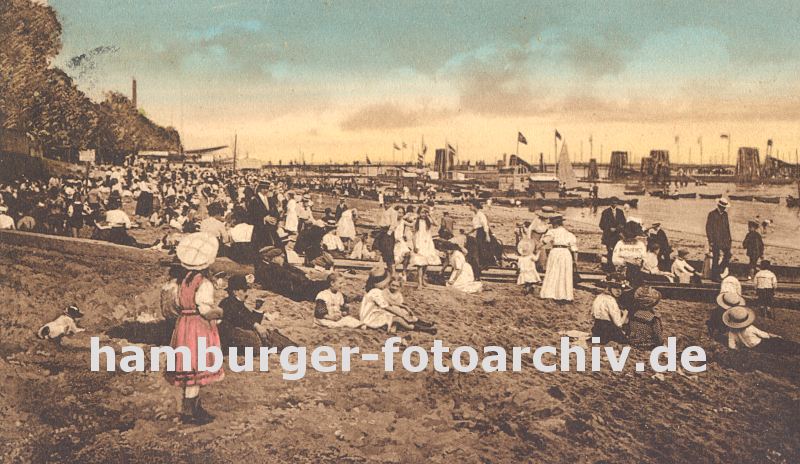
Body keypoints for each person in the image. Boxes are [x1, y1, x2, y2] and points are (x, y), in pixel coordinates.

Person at [165, 233, 224, 425]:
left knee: (187, 368)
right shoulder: (204, 284)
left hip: (184, 324)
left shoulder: (184, 281)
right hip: (197, 326)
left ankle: (191, 407)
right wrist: (221, 313)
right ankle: (191, 411)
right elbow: (205, 310)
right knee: (196, 368)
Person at [359, 277, 436, 334]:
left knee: (400, 316)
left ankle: (423, 325)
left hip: (374, 312)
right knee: (398, 319)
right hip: (369, 317)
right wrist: (402, 315)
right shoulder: (376, 292)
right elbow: (387, 307)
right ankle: (424, 329)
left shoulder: (376, 291)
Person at [723, 306, 800, 354]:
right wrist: (775, 336)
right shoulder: (750, 328)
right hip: (761, 344)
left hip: (753, 348)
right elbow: (764, 335)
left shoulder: (731, 332)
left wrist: (740, 348)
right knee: (781, 343)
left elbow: (731, 346)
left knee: (779, 348)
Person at [539, 214, 578, 302]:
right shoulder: (569, 234)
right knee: (565, 273)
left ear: (555, 224)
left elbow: (544, 242)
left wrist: (535, 248)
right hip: (566, 253)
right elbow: (574, 249)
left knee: (553, 271)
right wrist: (575, 261)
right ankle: (564, 295)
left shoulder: (552, 232)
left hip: (556, 252)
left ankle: (550, 293)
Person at [591, 276, 629, 344]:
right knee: (626, 340)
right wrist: (625, 314)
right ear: (609, 287)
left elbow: (593, 314)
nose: (619, 291)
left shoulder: (599, 297)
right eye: (615, 288)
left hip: (596, 331)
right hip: (607, 333)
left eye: (621, 288)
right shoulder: (611, 300)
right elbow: (618, 324)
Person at [410, 207, 440, 287]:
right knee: (420, 264)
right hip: (419, 243)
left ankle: (423, 280)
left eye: (425, 212)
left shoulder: (428, 221)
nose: (423, 214)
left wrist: (430, 215)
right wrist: (414, 245)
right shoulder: (416, 221)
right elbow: (413, 235)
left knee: (426, 263)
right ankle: (419, 282)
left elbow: (436, 224)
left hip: (427, 243)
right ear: (419, 213)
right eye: (422, 212)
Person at [705, 198, 732, 281]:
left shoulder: (725, 215)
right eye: (722, 207)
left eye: (724, 207)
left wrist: (730, 239)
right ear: (719, 206)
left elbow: (727, 228)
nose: (723, 208)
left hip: (725, 240)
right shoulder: (712, 214)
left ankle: (719, 270)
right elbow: (708, 228)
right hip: (715, 240)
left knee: (728, 255)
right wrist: (711, 241)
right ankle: (714, 276)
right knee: (716, 258)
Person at [599, 200, 626, 271]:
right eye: (613, 203)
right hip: (608, 236)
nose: (615, 204)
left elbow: (624, 223)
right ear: (610, 203)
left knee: (616, 250)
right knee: (610, 251)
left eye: (616, 203)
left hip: (617, 236)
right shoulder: (605, 212)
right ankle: (610, 267)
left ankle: (614, 266)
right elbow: (601, 225)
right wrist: (609, 228)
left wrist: (617, 229)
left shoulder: (620, 212)